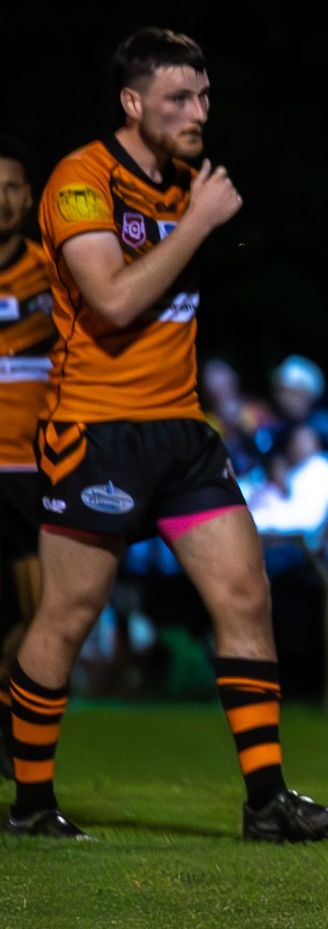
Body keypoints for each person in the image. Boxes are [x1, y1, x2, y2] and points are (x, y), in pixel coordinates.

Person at [7, 28, 328, 840]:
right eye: (178, 99)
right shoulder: (81, 181)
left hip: (181, 432)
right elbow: (115, 303)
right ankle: (29, 801)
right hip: (96, 431)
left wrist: (192, 213)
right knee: (67, 614)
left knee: (244, 595)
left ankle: (267, 801)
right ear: (132, 104)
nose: (199, 113)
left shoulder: (183, 182)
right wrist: (197, 224)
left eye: (204, 97)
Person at [0, 134, 55, 781]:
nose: (3, 200)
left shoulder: (52, 271)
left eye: (12, 187)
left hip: (28, 470)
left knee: (41, 612)